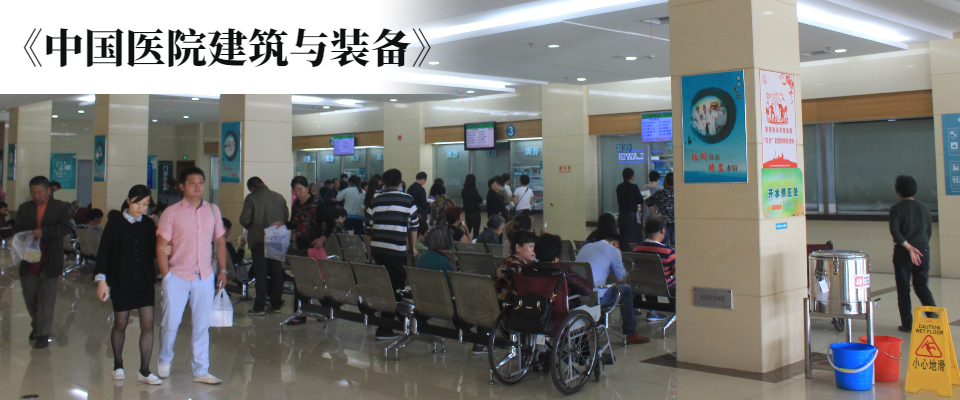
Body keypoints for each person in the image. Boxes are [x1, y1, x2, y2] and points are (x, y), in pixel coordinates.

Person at [155, 167, 227, 384]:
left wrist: (222, 270)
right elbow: (161, 246)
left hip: (204, 275)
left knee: (202, 325)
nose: (197, 186)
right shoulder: (171, 212)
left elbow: (220, 241)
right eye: (192, 183)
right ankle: (165, 358)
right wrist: (166, 276)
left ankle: (201, 370)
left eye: (201, 182)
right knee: (171, 322)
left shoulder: (213, 210)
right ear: (181, 186)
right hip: (177, 275)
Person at [94, 185, 162, 384]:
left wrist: (165, 248)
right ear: (128, 201)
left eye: (145, 204)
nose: (141, 208)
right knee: (121, 323)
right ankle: (118, 364)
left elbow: (153, 250)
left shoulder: (148, 224)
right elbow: (104, 252)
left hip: (144, 279)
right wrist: (101, 281)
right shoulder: (115, 223)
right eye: (137, 203)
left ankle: (144, 370)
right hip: (121, 279)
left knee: (147, 324)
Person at [13, 176, 72, 349]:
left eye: (40, 192)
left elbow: (65, 228)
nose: (36, 196)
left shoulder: (61, 207)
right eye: (33, 192)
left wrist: (44, 232)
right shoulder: (25, 208)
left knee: (47, 297)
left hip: (50, 258)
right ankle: (37, 324)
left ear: (48, 191)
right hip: (29, 258)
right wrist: (24, 234)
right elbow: (17, 228)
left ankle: (43, 333)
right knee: (30, 295)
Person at [365, 168, 419, 340]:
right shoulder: (408, 200)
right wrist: (413, 248)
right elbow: (414, 225)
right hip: (397, 251)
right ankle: (385, 328)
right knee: (396, 288)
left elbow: (367, 228)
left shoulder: (375, 200)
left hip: (378, 251)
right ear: (400, 183)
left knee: (384, 286)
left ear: (384, 184)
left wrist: (370, 251)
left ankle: (389, 322)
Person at [576, 233, 649, 344]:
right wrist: (619, 258)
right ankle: (630, 333)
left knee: (602, 288)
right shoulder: (613, 250)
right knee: (626, 289)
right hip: (596, 298)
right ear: (615, 243)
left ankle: (592, 326)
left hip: (577, 297)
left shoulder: (586, 247)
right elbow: (622, 280)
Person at [889, 175, 936, 332]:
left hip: (903, 253)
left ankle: (907, 324)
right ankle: (934, 318)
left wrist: (909, 247)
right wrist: (920, 247)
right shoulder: (923, 208)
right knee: (921, 286)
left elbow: (895, 232)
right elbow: (928, 231)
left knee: (903, 288)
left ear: (898, 191)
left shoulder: (896, 209)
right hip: (923, 251)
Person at [239, 176, 290, 316]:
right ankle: (276, 305)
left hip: (259, 239)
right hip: (277, 239)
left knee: (261, 273)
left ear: (251, 188)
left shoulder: (252, 198)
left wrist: (252, 226)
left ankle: (259, 306)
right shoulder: (279, 197)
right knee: (276, 272)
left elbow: (244, 220)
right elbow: (285, 218)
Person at [633, 215, 677, 322]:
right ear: (663, 230)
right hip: (665, 287)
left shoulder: (637, 248)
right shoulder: (669, 252)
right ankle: (678, 309)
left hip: (644, 286)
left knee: (650, 278)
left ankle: (653, 311)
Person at [288, 176, 337, 254]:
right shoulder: (296, 203)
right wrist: (282, 225)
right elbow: (294, 223)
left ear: (307, 188)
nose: (297, 193)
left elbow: (331, 222)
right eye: (295, 191)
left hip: (314, 245)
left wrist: (322, 238)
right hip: (300, 245)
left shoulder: (316, 202)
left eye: (300, 190)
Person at [495, 230, 538, 302]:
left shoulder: (509, 261)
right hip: (509, 305)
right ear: (518, 247)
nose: (534, 250)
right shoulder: (517, 267)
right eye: (531, 246)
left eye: (535, 246)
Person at [616, 168, 643, 251]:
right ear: (632, 177)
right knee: (630, 239)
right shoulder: (634, 187)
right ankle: (627, 256)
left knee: (622, 237)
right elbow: (640, 200)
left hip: (621, 215)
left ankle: (621, 255)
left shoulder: (619, 187)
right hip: (630, 216)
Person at [645, 172, 675, 246]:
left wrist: (656, 212)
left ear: (665, 182)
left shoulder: (660, 193)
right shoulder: (680, 193)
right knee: (676, 245)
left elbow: (648, 201)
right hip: (677, 223)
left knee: (662, 245)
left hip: (664, 223)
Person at [461, 174, 484, 239]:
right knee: (476, 232)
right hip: (475, 212)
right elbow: (480, 200)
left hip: (467, 212)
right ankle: (474, 243)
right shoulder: (473, 190)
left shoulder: (463, 190)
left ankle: (465, 242)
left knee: (467, 231)